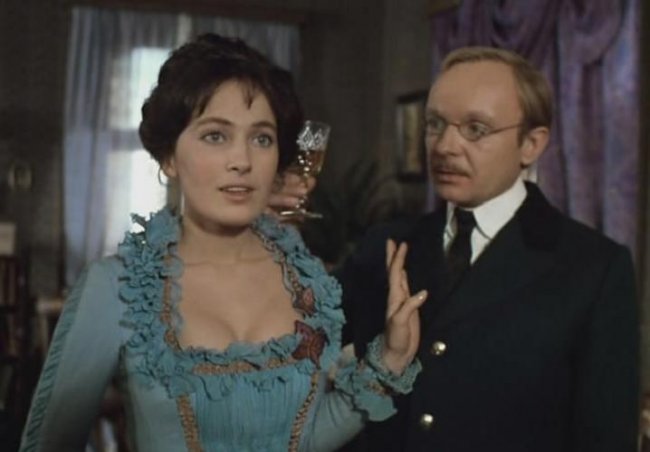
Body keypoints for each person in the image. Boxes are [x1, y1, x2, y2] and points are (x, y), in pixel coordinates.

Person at [19, 33, 427, 452]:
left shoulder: (307, 282)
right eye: (215, 135)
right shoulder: (118, 288)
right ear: (169, 157)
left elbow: (307, 437)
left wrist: (390, 359)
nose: (242, 161)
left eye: (261, 138)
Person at [336, 47, 640, 451]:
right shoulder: (386, 245)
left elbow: (605, 438)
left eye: (475, 129)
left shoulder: (593, 268)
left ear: (531, 144)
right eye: (435, 124)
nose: (444, 146)